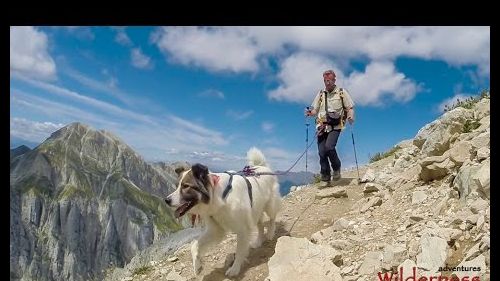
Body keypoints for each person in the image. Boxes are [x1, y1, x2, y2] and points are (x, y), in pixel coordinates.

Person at [305, 69, 355, 187]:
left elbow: (350, 107)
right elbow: (315, 110)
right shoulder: (321, 94)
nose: (327, 83)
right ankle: (325, 177)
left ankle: (336, 169)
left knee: (329, 147)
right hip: (321, 125)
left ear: (334, 80)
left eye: (329, 80)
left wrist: (350, 117)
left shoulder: (341, 92)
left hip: (336, 125)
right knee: (322, 152)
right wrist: (310, 113)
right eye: (325, 80)